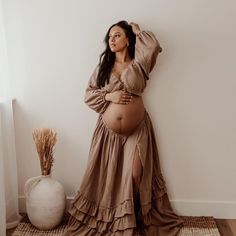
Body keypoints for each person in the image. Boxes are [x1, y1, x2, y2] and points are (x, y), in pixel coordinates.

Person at [64, 20, 184, 236]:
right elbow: (88, 95)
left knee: (136, 174)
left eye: (117, 35)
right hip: (108, 133)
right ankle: (116, 219)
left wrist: (138, 31)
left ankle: (135, 216)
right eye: (110, 36)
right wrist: (110, 95)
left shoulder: (139, 64)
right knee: (107, 178)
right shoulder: (103, 68)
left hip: (137, 128)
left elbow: (153, 46)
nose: (112, 39)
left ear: (128, 39)